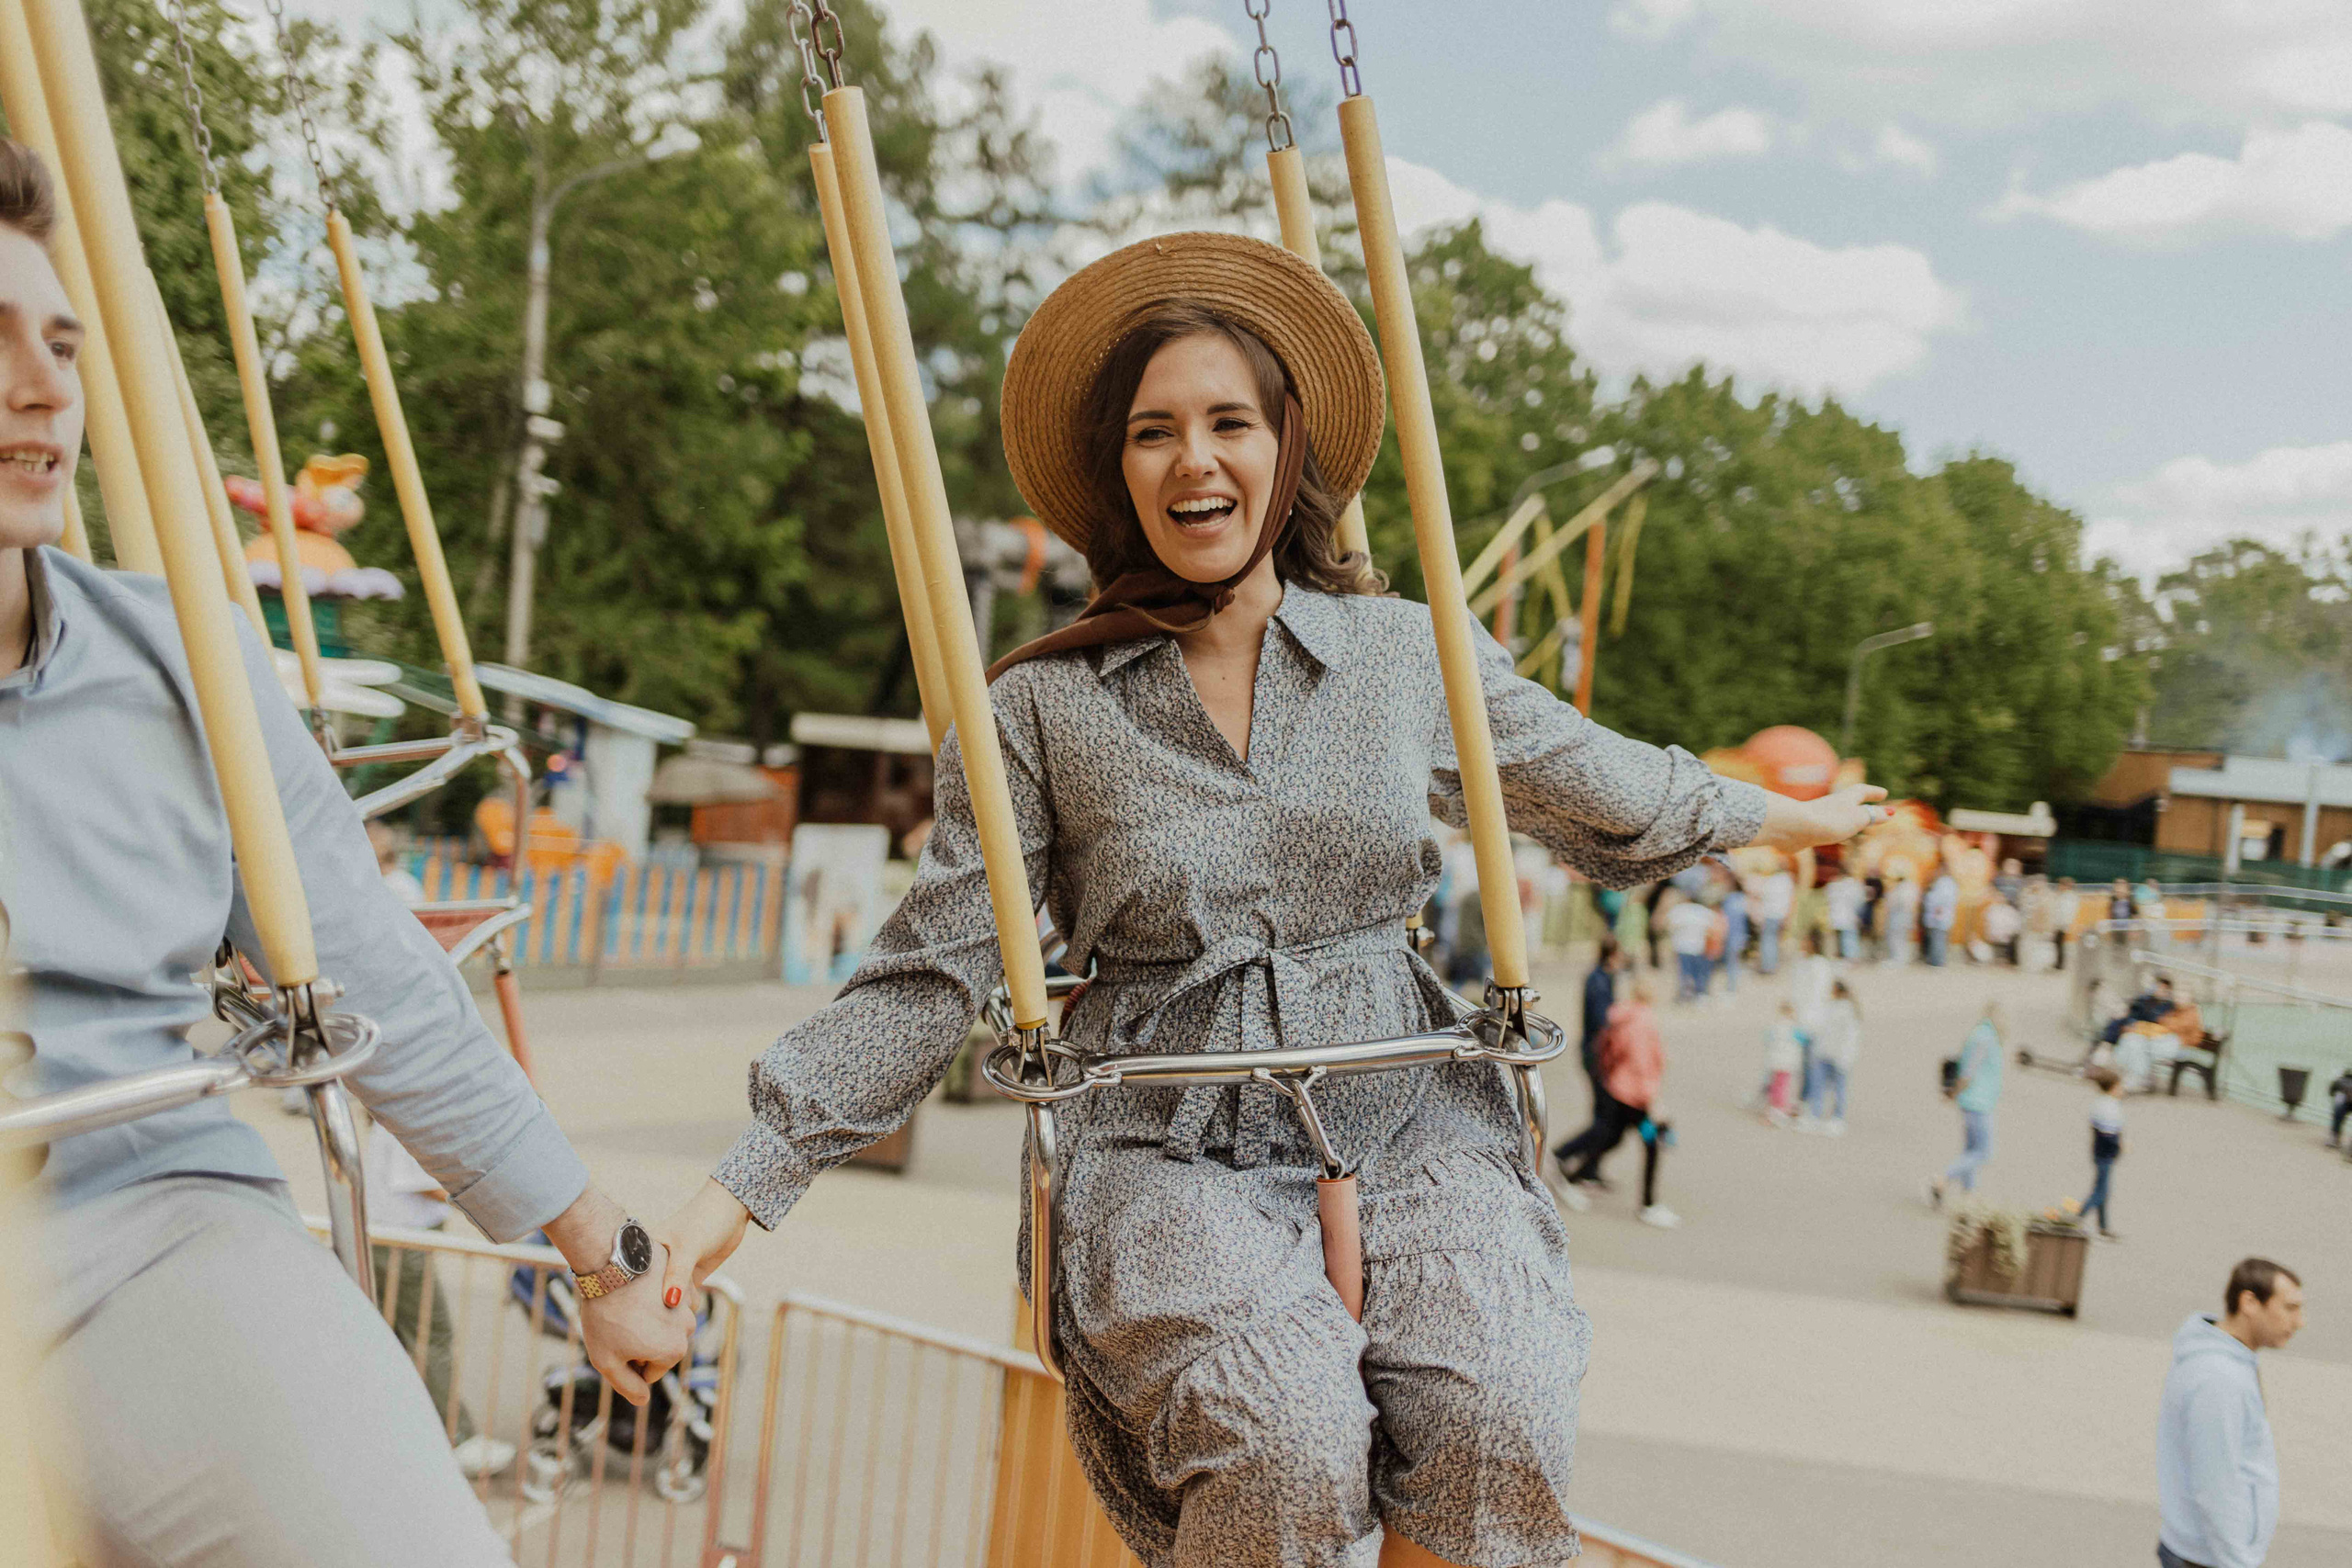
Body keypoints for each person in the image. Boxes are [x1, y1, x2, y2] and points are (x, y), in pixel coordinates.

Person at [648, 232, 1885, 1568]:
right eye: (1155, 432)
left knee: (1504, 1402)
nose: (1196, 459)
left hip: (1409, 1102)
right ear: (1120, 476)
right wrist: (723, 1211)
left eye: (1229, 421)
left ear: (1284, 447)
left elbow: (1599, 777)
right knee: (1283, 1433)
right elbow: (925, 975)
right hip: (1169, 1130)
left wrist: (1792, 816)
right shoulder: (1042, 706)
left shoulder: (1405, 653)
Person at [0, 141, 692, 1565]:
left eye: (61, 340)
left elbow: (363, 958)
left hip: (145, 1217)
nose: (43, 386)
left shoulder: (181, 655)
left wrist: (593, 1238)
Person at [2157, 1258, 2302, 1568]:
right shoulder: (2220, 1378)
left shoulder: (2226, 1358)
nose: (2299, 1321)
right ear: (2249, 1302)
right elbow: (2216, 1484)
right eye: (2290, 1308)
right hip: (2207, 1558)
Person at [1557, 976, 1676, 1226]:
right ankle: (1648, 1204)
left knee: (1612, 1136)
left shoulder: (1624, 1014)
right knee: (1651, 1144)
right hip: (1636, 1095)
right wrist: (1653, 1102)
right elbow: (1641, 1064)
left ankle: (1573, 1172)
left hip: (1619, 1087)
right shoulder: (1643, 1022)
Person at [1929, 1000, 2005, 1206]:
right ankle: (1943, 1179)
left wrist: (1953, 1093)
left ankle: (1969, 1195)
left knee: (1971, 1149)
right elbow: (1969, 1072)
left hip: (1974, 1100)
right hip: (1979, 1101)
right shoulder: (1986, 1038)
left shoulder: (1978, 1034)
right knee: (1984, 1151)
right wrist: (1954, 1092)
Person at [1804, 979, 1860, 1134]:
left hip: (1838, 1056)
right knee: (1818, 1085)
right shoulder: (1830, 1006)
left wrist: (1845, 1057)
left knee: (1839, 1089)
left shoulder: (1848, 1011)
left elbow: (1850, 1038)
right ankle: (1815, 1115)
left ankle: (1838, 1118)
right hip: (1824, 1053)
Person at [2079, 1066, 2125, 1241]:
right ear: (2113, 1087)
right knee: (2101, 1191)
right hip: (2106, 1153)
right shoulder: (2110, 1108)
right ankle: (2078, 1217)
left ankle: (2104, 1226)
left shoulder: (2099, 1104)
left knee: (2102, 1189)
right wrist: (2119, 1145)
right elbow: (2109, 1134)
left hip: (2098, 1151)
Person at [1665, 890, 1716, 1002]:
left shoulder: (1679, 910)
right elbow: (1712, 929)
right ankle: (1700, 993)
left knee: (1684, 973)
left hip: (1682, 946)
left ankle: (1685, 994)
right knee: (1698, 972)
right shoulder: (1704, 912)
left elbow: (1669, 925)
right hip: (1698, 946)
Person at [1760, 1001, 1804, 1122]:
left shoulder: (1775, 1026)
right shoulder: (1794, 1029)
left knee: (1776, 1084)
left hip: (1775, 1061)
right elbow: (1803, 1040)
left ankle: (1774, 1105)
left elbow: (1767, 1039)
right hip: (1786, 1062)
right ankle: (1778, 1108)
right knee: (1782, 1086)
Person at [1750, 859, 1795, 975]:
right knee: (1774, 940)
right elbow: (1791, 900)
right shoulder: (1787, 881)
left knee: (1768, 940)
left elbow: (1762, 895)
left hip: (1769, 914)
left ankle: (1768, 965)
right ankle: (1772, 965)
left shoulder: (1771, 880)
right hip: (1781, 914)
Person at [1921, 868, 1959, 966]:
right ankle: (1936, 959)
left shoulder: (1945, 882)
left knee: (1939, 939)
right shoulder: (1946, 882)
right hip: (1939, 916)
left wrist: (1938, 910)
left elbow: (1941, 899)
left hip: (1940, 916)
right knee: (1937, 938)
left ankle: (1937, 961)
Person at [1825, 868, 1863, 959]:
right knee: (1848, 938)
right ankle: (1850, 957)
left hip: (1838, 915)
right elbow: (1859, 901)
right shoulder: (1853, 885)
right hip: (1848, 915)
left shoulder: (1833, 885)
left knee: (1841, 938)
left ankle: (1842, 957)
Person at [2051, 875, 2082, 972]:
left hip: (2063, 924)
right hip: (2060, 923)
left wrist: (2062, 923)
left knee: (2060, 944)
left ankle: (2060, 964)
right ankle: (2058, 962)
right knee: (2058, 944)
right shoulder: (2063, 896)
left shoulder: (2069, 898)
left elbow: (2065, 912)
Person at [1982, 892, 2021, 966]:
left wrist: (2007, 934)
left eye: (2002, 897)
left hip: (2007, 939)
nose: (2000, 899)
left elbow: (2016, 926)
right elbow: (1987, 923)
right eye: (1997, 897)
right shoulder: (1991, 908)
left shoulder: (2011, 911)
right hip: (1992, 938)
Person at [2326, 1066, 2352, 1150]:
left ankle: (2335, 1137)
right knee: (2339, 1109)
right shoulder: (2340, 1082)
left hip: (2343, 1101)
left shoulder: (2339, 1081)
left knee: (2338, 1113)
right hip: (2345, 1101)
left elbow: (2331, 1092)